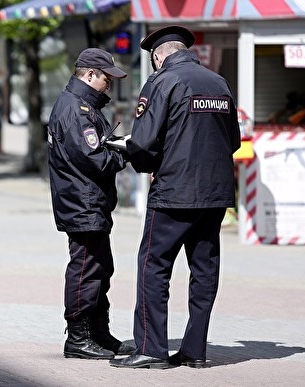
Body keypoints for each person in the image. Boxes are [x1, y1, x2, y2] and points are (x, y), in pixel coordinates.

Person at [109, 25, 241, 369]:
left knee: (153, 267)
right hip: (215, 196)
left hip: (174, 193)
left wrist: (139, 159)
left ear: (157, 56)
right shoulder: (219, 83)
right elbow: (234, 141)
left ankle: (151, 349)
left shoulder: (162, 81)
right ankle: (195, 351)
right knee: (204, 271)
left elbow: (144, 141)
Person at [47, 48, 135, 360]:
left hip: (88, 201)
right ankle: (78, 339)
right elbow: (94, 158)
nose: (109, 83)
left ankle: (98, 333)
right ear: (89, 75)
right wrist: (124, 152)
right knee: (86, 269)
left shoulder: (82, 106)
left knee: (100, 268)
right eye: (106, 77)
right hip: (82, 203)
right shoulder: (77, 109)